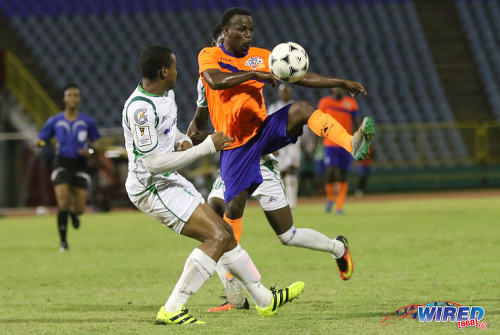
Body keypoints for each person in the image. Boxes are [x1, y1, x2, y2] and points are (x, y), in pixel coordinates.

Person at [122, 45, 304, 325]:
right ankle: (173, 308)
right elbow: (151, 163)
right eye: (173, 67)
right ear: (163, 72)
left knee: (226, 234)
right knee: (217, 237)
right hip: (151, 186)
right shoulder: (141, 110)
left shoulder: (165, 95)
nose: (177, 71)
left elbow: (169, 133)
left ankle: (265, 301)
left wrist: (182, 138)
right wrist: (205, 147)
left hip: (167, 180)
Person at [198, 7, 375, 291]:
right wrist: (252, 74)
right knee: (224, 210)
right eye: (241, 29)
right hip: (235, 148)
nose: (248, 34)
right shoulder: (210, 57)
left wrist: (339, 81)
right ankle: (233, 291)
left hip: (261, 137)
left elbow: (300, 76)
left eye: (251, 30)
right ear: (225, 31)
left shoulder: (263, 55)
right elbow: (214, 82)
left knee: (303, 109)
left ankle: (351, 144)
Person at [37, 83, 101, 252]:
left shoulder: (87, 121)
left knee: (79, 208)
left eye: (75, 95)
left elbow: (96, 145)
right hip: (61, 163)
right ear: (64, 98)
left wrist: (90, 151)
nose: (72, 98)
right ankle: (63, 243)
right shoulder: (55, 121)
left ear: (79, 99)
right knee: (63, 202)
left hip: (80, 164)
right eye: (69, 95)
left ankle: (75, 214)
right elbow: (42, 137)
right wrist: (40, 142)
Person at [318, 87, 361, 214]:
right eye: (337, 87)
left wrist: (358, 139)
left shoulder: (351, 103)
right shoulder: (325, 102)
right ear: (332, 89)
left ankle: (339, 206)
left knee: (342, 174)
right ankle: (330, 198)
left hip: (345, 143)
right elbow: (319, 121)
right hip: (330, 143)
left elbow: (356, 122)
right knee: (331, 172)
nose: (339, 90)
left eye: (341, 87)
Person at [267, 84, 300, 209]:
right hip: (279, 144)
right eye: (283, 92)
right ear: (279, 93)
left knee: (291, 169)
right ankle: (284, 199)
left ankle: (293, 200)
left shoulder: (296, 106)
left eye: (287, 91)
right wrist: (271, 145)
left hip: (293, 143)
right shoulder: (273, 107)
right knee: (282, 172)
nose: (285, 94)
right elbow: (269, 128)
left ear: (291, 93)